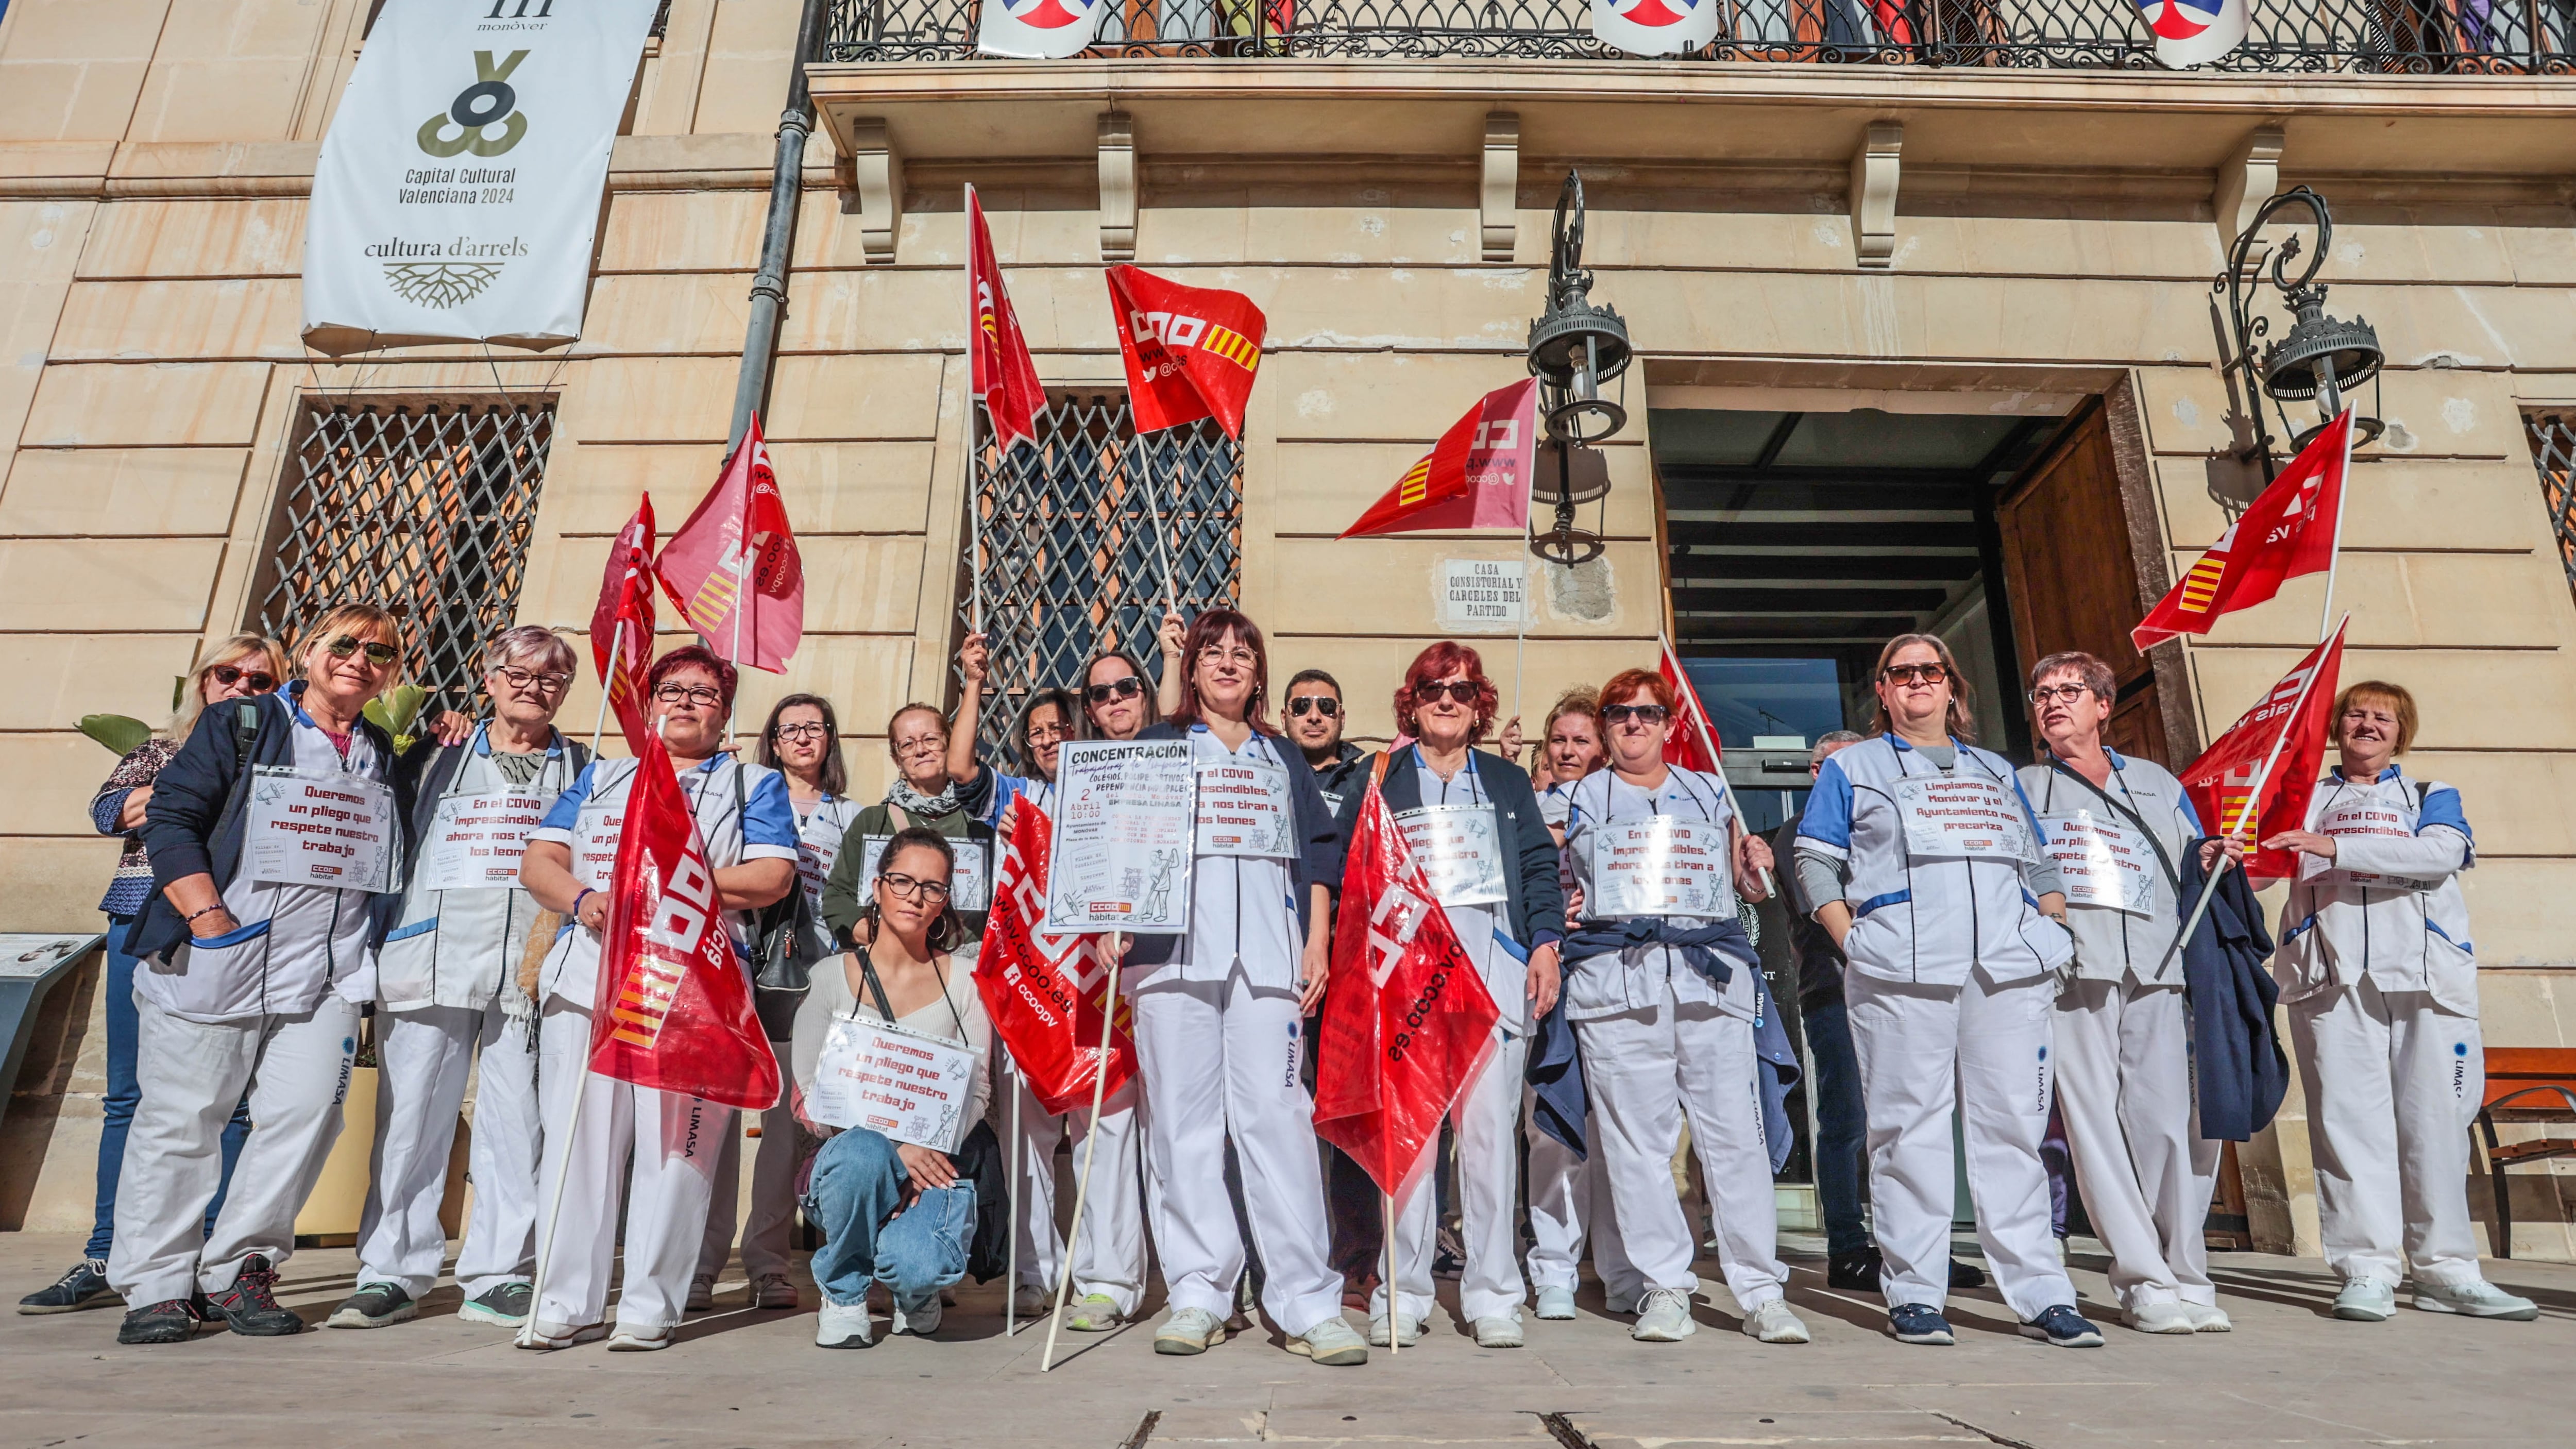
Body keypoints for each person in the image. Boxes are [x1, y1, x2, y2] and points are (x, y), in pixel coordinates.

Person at [108, 605, 413, 1345]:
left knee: (308, 1119)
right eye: (343, 644)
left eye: (380, 651)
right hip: (219, 956)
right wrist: (208, 917)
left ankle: (240, 1268)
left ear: (394, 671)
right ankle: (155, 1284)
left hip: (327, 975)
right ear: (309, 652)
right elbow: (172, 817)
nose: (358, 659)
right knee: (184, 1122)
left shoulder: (377, 749)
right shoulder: (243, 724)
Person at [1794, 634, 2100, 1349]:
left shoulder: (1995, 769)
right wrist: (1852, 939)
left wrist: (2054, 931)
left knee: (2013, 1134)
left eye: (1929, 670)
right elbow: (1815, 859)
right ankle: (1916, 1293)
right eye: (1899, 674)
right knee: (1908, 1132)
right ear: (1885, 693)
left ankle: (2041, 1292)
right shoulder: (1855, 768)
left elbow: (2038, 861)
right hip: (1902, 969)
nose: (1916, 682)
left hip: (2007, 969)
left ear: (1953, 686)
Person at [518, 646, 799, 1351]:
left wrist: (675, 887)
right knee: (578, 1147)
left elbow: (771, 878)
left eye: (704, 693)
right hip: (591, 984)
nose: (684, 701)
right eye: (671, 689)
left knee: (679, 1154)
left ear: (724, 712)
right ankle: (566, 1301)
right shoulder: (605, 775)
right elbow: (539, 860)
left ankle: (651, 1303)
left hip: (695, 992)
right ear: (647, 705)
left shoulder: (750, 784)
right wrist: (586, 898)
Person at [332, 627, 592, 1332]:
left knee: (517, 1123)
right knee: (411, 1118)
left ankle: (501, 1272)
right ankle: (391, 1271)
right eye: (519, 674)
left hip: (529, 964)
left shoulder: (586, 766)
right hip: (432, 953)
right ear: (489, 681)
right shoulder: (435, 757)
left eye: (551, 680)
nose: (532, 689)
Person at [19, 636, 286, 1318]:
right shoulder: (161, 750)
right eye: (229, 675)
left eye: (261, 680)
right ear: (203, 682)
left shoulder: (285, 753)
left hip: (233, 930)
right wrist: (166, 791)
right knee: (129, 1096)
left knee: (227, 1103)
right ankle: (107, 1253)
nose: (242, 688)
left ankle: (196, 1258)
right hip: (145, 919)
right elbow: (112, 811)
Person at [1127, 609, 1367, 1366]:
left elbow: (1320, 854)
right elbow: (1118, 833)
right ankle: (1200, 1292)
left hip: (1268, 960)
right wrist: (1108, 919)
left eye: (1243, 654)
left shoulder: (1281, 755)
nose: (1228, 663)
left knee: (1279, 1121)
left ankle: (1307, 1300)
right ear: (1192, 668)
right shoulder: (1161, 744)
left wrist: (1317, 942)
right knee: (1182, 1126)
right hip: (1171, 962)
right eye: (1213, 653)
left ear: (1259, 674)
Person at [2261, 681, 2537, 1322]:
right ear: (2336, 727)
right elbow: (2259, 857)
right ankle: (2365, 1269)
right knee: (2346, 1126)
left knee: (2435, 1126)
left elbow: (2442, 853)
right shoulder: (2302, 795)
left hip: (2424, 978)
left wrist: (2335, 848)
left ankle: (2446, 1271)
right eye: (2355, 713)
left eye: (2380, 716)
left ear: (2399, 732)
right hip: (2329, 977)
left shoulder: (2426, 795)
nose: (2366, 723)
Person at [1557, 669, 1807, 1346]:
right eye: (1619, 714)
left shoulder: (1709, 792)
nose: (1633, 724)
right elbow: (1546, 887)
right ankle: (1665, 1286)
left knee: (1736, 1140)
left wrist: (1756, 867)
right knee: (1638, 1146)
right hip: (1617, 984)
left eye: (1647, 713)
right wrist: (1563, 906)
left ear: (1671, 724)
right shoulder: (1575, 798)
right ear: (1605, 726)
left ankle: (1760, 1290)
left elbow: (1748, 889)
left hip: (1709, 980)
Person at [1330, 643, 1564, 1349]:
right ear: (1413, 699)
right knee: (1411, 1148)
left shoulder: (1503, 779)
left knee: (1491, 1144)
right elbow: (1349, 876)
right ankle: (1402, 1292)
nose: (1447, 699)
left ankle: (1494, 1295)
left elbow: (1537, 866)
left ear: (1480, 703)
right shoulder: (1379, 776)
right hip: (1407, 987)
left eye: (1462, 690)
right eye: (1434, 687)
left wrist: (1547, 943)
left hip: (1492, 978)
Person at [2017, 652, 2238, 1335]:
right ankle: (2141, 1278)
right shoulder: (2021, 784)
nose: (2054, 702)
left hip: (2157, 964)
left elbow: (2190, 856)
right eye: (2043, 694)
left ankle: (2186, 1269)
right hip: (2074, 971)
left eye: (2070, 691)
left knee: (2167, 1122)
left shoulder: (2157, 782)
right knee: (2094, 1127)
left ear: (2104, 705)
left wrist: (2210, 856)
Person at [946, 630, 1149, 1332]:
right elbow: (958, 766)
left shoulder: (1125, 781)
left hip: (1105, 987)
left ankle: (1109, 1280)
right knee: (1024, 1138)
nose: (1048, 739)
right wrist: (973, 680)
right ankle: (1034, 1273)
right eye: (1036, 733)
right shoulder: (1018, 796)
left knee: (1106, 1133)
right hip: (1030, 988)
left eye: (1061, 726)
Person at [798, 828, 995, 1348]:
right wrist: (894, 1150)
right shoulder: (828, 978)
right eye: (903, 880)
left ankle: (914, 1290)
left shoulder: (968, 982)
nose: (916, 896)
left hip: (935, 1160)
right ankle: (842, 1294)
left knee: (916, 1264)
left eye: (933, 887)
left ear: (945, 900)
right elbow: (812, 1100)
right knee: (862, 1153)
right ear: (878, 885)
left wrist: (924, 1148)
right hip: (852, 1169)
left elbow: (977, 1093)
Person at [693, 693, 858, 1314]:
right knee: (712, 1122)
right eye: (789, 729)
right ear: (772, 738)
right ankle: (703, 1262)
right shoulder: (740, 794)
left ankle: (766, 1261)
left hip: (809, 980)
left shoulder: (854, 813)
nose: (802, 739)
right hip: (730, 963)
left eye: (815, 727)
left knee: (786, 1127)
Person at [1521, 688, 1639, 1322]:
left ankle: (1620, 1269)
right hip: (1544, 979)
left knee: (1616, 1128)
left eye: (1580, 740)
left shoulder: (1625, 803)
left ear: (1601, 746)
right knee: (1551, 1128)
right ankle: (1555, 1269)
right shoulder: (1523, 804)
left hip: (1612, 974)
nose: (1568, 751)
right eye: (1559, 739)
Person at [820, 703, 997, 949]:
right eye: (907, 744)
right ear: (896, 759)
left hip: (963, 967)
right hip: (887, 966)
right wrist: (879, 941)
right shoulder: (872, 821)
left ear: (950, 744)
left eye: (931, 739)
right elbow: (836, 897)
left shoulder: (984, 820)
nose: (921, 750)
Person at [1284, 668, 1364, 812]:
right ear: (1284, 719)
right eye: (1301, 706)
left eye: (1327, 706)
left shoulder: (1365, 782)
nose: (1314, 716)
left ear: (1343, 718)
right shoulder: (1267, 777)